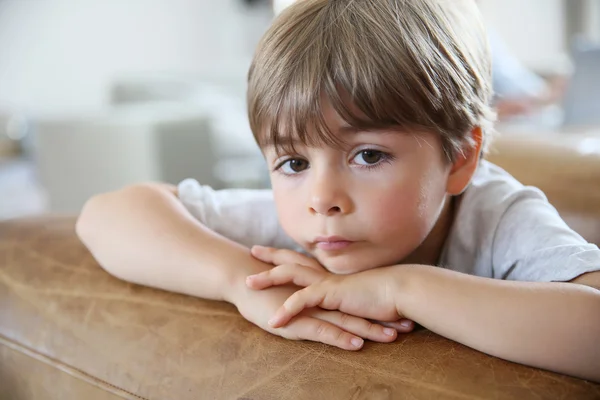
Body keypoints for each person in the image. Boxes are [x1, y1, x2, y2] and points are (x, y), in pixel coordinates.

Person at [76, 0, 600, 382]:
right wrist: (239, 280)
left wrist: (403, 288)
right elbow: (105, 215)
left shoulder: (498, 215)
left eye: (368, 155)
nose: (321, 197)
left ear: (459, 158)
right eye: (293, 161)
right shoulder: (296, 222)